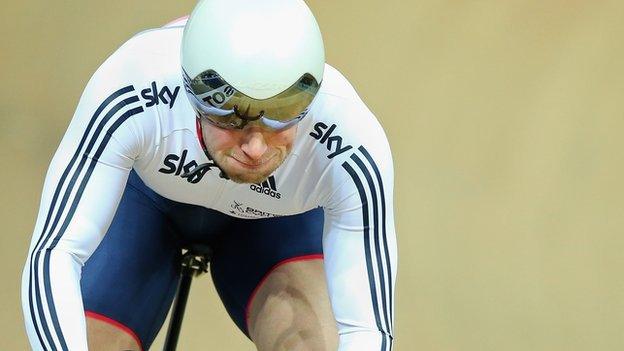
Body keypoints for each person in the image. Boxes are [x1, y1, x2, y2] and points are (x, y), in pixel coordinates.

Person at [21, 0, 397, 350]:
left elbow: (367, 328)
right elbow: (54, 254)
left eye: (281, 113)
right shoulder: (133, 81)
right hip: (146, 204)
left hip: (274, 227)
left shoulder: (350, 136)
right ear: (190, 92)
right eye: (230, 115)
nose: (255, 147)